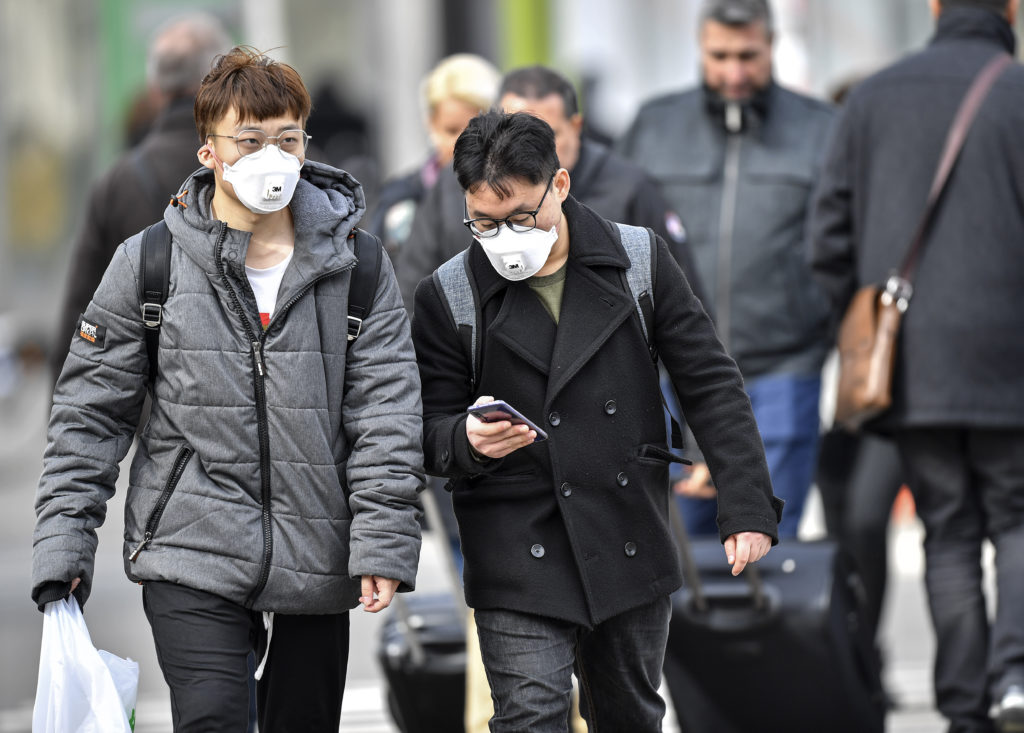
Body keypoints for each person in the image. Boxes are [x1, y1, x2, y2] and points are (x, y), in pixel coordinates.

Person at [32, 46, 424, 731]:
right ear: (208, 150)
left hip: (317, 553)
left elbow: (386, 410)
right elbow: (89, 414)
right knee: (212, 718)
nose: (270, 156)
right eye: (249, 139)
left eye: (286, 139)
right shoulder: (150, 262)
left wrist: (382, 541)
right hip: (191, 549)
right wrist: (65, 542)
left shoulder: (358, 266)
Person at [411, 109, 780, 732]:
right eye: (484, 224)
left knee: (630, 715)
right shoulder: (448, 295)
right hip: (514, 539)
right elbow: (423, 426)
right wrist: (465, 439)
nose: (505, 238)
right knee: (531, 714)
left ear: (560, 184)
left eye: (522, 217)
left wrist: (745, 504)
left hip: (625, 525)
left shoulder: (637, 259)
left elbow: (710, 381)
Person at [808, 1, 1024, 730]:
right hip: (1011, 358)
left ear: (934, 7)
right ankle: (1015, 677)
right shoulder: (1017, 92)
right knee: (1017, 517)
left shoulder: (872, 98)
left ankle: (963, 704)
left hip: (914, 362)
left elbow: (827, 237)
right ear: (1013, 10)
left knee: (949, 528)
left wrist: (873, 320)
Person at [617, 0, 833, 539]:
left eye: (748, 56)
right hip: (675, 376)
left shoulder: (822, 129)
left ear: (771, 46)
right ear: (700, 48)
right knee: (680, 554)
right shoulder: (654, 125)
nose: (734, 72)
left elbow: (844, 242)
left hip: (784, 367)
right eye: (720, 56)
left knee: (767, 540)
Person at [397, 64, 705, 309]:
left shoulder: (630, 188)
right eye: (487, 221)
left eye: (549, 133)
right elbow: (414, 289)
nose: (530, 149)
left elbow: (681, 304)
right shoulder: (454, 188)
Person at [48, 12, 232, 387]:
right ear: (226, 79)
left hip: (154, 402)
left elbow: (80, 310)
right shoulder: (274, 164)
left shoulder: (119, 181)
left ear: (155, 88)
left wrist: (63, 411)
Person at [367, 53, 500, 261]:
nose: (464, 141)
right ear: (431, 124)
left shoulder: (518, 199)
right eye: (452, 130)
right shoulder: (399, 200)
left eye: (477, 128)